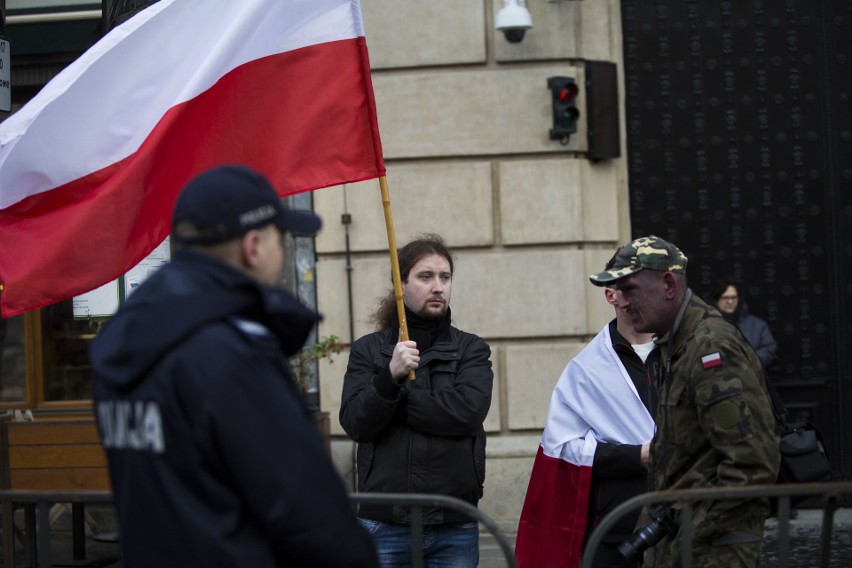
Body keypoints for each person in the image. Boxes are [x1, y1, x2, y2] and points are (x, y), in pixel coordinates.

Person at [90, 164, 378, 568]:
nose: (283, 254)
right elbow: (310, 514)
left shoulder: (127, 343)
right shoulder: (227, 352)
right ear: (254, 246)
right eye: (283, 238)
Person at [588, 235, 780, 567]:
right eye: (617, 291)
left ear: (668, 285)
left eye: (630, 289)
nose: (622, 301)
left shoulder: (710, 348)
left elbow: (752, 463)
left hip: (715, 550)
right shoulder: (676, 344)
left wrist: (690, 529)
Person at [339, 233, 493, 568]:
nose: (438, 287)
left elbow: (466, 413)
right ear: (401, 284)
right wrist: (389, 375)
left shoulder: (471, 349)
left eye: (445, 277)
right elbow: (356, 423)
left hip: (453, 525)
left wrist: (394, 398)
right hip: (383, 523)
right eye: (425, 277)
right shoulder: (370, 350)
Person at [515, 272, 659, 568]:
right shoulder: (586, 369)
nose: (642, 296)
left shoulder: (684, 353)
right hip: (615, 530)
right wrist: (637, 456)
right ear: (611, 295)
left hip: (684, 521)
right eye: (631, 288)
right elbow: (563, 449)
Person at [712, 278, 778, 369]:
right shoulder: (706, 325)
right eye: (725, 297)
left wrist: (748, 361)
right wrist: (724, 361)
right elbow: (700, 356)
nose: (730, 302)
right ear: (716, 300)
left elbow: (768, 348)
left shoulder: (757, 325)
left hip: (749, 380)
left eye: (733, 297)